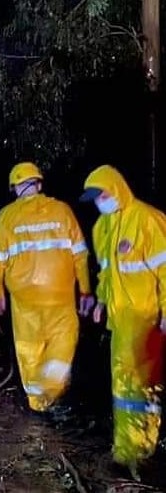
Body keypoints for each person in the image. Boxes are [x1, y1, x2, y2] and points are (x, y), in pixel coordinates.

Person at [0, 162, 94, 417]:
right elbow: (80, 255)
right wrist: (86, 290)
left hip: (24, 300)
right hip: (61, 295)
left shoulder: (6, 217)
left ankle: (38, 404)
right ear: (39, 184)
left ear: (14, 188)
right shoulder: (62, 210)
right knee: (63, 343)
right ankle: (55, 392)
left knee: (29, 349)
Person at [80, 164, 166, 478]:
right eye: (94, 198)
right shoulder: (102, 228)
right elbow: (106, 272)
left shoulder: (148, 220)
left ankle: (142, 451)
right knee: (123, 386)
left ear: (116, 188)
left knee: (142, 388)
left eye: (101, 194)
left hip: (147, 319)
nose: (99, 201)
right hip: (120, 321)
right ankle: (125, 449)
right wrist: (101, 302)